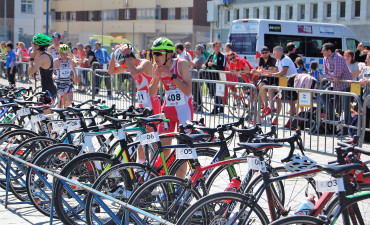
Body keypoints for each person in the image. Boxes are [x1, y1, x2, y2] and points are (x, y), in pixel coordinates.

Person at [109, 43, 161, 163]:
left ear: (129, 56)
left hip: (152, 104)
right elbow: (112, 71)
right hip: (142, 104)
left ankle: (157, 165)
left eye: (123, 62)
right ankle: (141, 165)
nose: (123, 66)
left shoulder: (145, 63)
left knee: (151, 137)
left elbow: (135, 71)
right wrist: (114, 54)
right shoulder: (129, 65)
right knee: (141, 136)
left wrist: (126, 56)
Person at [148, 37, 192, 178]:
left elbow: (188, 91)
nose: (155, 57)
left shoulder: (182, 65)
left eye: (158, 53)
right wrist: (156, 77)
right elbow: (152, 93)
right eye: (153, 53)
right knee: (161, 149)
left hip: (184, 112)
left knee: (182, 151)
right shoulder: (157, 67)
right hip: (168, 110)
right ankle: (157, 181)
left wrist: (170, 75)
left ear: (168, 54)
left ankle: (179, 184)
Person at [320, 42, 352, 135]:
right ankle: (333, 117)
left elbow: (338, 74)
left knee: (345, 107)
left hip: (344, 85)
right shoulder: (325, 58)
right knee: (323, 95)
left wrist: (332, 76)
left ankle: (345, 130)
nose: (322, 51)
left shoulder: (338, 57)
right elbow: (325, 73)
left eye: (324, 50)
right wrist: (332, 77)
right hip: (334, 84)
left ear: (329, 51)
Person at [264, 46, 297, 126]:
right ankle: (276, 116)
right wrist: (265, 72)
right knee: (277, 96)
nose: (273, 54)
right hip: (284, 81)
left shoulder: (285, 59)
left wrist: (272, 74)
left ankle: (291, 120)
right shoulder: (278, 60)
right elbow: (276, 71)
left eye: (274, 52)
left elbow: (283, 72)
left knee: (291, 102)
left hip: (292, 81)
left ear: (278, 52)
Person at [28, 34, 57, 103]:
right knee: (43, 112)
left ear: (37, 45)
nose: (31, 44)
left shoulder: (43, 57)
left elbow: (30, 72)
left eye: (33, 43)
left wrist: (31, 59)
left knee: (46, 112)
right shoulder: (45, 55)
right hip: (48, 87)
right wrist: (34, 54)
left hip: (48, 89)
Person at [251, 46, 277, 116]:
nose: (264, 54)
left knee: (269, 88)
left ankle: (271, 107)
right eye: (263, 53)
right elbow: (260, 70)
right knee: (261, 85)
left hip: (273, 78)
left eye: (266, 52)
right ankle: (266, 105)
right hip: (265, 78)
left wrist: (261, 71)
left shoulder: (272, 59)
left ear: (269, 52)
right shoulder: (261, 59)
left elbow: (271, 71)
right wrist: (256, 71)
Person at [202, 40, 226, 114]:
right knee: (214, 92)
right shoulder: (211, 55)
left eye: (219, 46)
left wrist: (213, 65)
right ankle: (221, 108)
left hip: (218, 76)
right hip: (211, 76)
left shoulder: (222, 56)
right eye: (216, 46)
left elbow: (222, 67)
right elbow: (206, 63)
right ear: (213, 47)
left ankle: (215, 108)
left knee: (218, 93)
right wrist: (204, 65)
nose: (217, 48)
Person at [53, 44, 77, 108]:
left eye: (66, 54)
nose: (65, 56)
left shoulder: (69, 59)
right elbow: (52, 71)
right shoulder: (57, 61)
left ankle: (65, 110)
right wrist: (53, 75)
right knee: (62, 100)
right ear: (60, 53)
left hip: (67, 83)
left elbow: (73, 67)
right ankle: (61, 112)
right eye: (63, 54)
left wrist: (75, 75)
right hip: (59, 83)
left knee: (70, 99)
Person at [188, 44, 206, 110]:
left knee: (197, 92)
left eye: (196, 49)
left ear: (200, 50)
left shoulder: (201, 57)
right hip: (193, 77)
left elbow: (194, 64)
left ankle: (199, 105)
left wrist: (188, 60)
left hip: (198, 77)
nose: (195, 50)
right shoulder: (196, 57)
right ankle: (195, 104)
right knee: (194, 92)